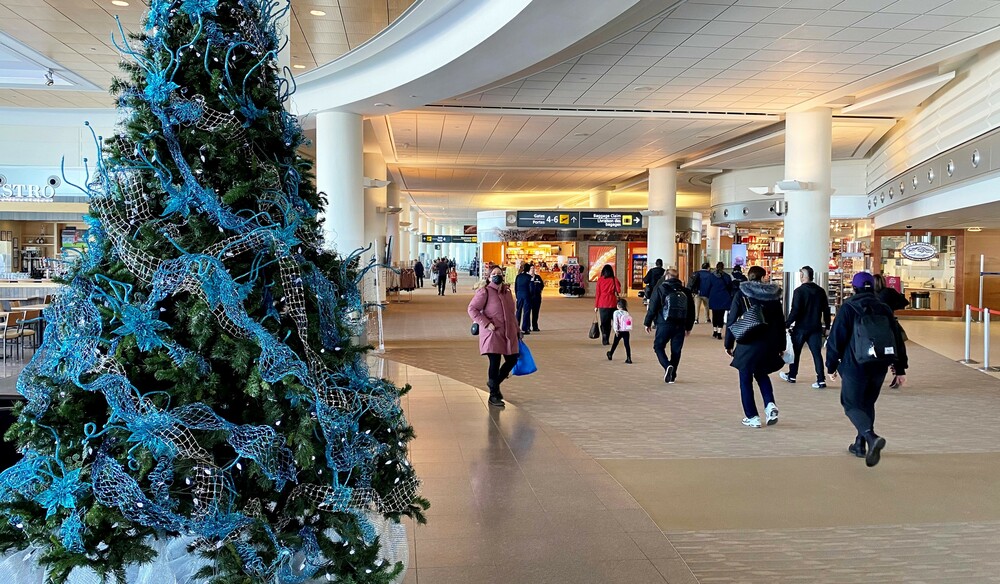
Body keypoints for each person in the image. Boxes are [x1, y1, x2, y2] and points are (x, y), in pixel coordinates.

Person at [826, 272, 907, 466]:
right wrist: (900, 368)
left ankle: (870, 437)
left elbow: (836, 339)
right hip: (880, 364)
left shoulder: (849, 307)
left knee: (851, 404)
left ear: (854, 288)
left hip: (855, 364)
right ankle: (860, 444)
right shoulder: (884, 308)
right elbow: (897, 339)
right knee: (868, 402)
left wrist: (831, 365)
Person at [725, 265, 785, 428]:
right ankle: (770, 404)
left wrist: (728, 344)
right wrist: (781, 345)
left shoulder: (741, 294)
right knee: (762, 374)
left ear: (749, 277)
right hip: (769, 343)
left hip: (747, 343)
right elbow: (780, 323)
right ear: (764, 277)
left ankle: (752, 416)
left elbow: (732, 320)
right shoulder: (773, 296)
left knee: (745, 379)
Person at [467, 266, 522, 408]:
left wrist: (517, 329)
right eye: (494, 274)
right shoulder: (484, 292)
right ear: (489, 277)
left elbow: (511, 313)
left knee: (512, 359)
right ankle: (494, 394)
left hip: (508, 332)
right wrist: (486, 323)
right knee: (495, 361)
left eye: (499, 273)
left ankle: (493, 383)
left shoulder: (507, 292)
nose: (497, 276)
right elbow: (472, 309)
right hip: (492, 333)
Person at [780, 265, 831, 389]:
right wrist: (828, 326)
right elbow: (826, 310)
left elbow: (795, 310)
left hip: (801, 327)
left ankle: (792, 375)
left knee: (796, 352)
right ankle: (821, 379)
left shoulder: (799, 291)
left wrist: (786, 323)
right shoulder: (820, 291)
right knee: (817, 354)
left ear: (803, 276)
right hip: (815, 327)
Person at [644, 268, 695, 383]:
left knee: (658, 346)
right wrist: (689, 327)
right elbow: (691, 310)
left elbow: (653, 307)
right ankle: (672, 376)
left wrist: (647, 322)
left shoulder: (661, 289)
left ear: (666, 277)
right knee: (676, 351)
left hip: (664, 323)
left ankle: (667, 366)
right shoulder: (685, 291)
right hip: (680, 325)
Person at [874, 273, 910, 388]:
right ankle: (898, 370)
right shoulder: (889, 292)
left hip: (874, 325)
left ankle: (877, 372)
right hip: (890, 324)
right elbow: (904, 302)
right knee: (897, 347)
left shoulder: (871, 295)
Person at [594, 264, 622, 346]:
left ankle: (604, 336)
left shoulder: (600, 280)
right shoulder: (614, 279)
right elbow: (619, 290)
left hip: (602, 303)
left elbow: (597, 293)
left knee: (604, 322)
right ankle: (608, 338)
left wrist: (596, 306)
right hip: (612, 302)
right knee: (611, 321)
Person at [707, 262, 733, 339]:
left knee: (714, 315)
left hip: (714, 297)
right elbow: (730, 287)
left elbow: (708, 286)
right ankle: (719, 332)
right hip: (723, 297)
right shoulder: (727, 276)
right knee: (721, 316)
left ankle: (714, 331)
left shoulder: (711, 276)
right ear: (723, 267)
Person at [607, 298, 634, 363]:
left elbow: (615, 322)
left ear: (618, 305)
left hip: (619, 331)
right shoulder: (626, 313)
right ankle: (629, 358)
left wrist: (616, 330)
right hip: (626, 331)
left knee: (615, 343)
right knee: (627, 345)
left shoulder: (616, 312)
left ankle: (610, 354)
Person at [514, 263, 533, 335]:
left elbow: (516, 287)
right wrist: (531, 295)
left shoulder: (518, 276)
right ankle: (525, 328)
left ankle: (516, 327)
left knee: (518, 311)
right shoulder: (529, 277)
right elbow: (531, 288)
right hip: (527, 295)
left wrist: (517, 296)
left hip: (519, 294)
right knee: (526, 312)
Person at [529, 265, 544, 332]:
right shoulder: (527, 278)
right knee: (527, 313)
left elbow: (542, 285)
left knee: (535, 313)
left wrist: (539, 290)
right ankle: (527, 327)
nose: (532, 269)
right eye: (531, 268)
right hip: (529, 298)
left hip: (537, 298)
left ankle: (535, 326)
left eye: (533, 268)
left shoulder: (538, 277)